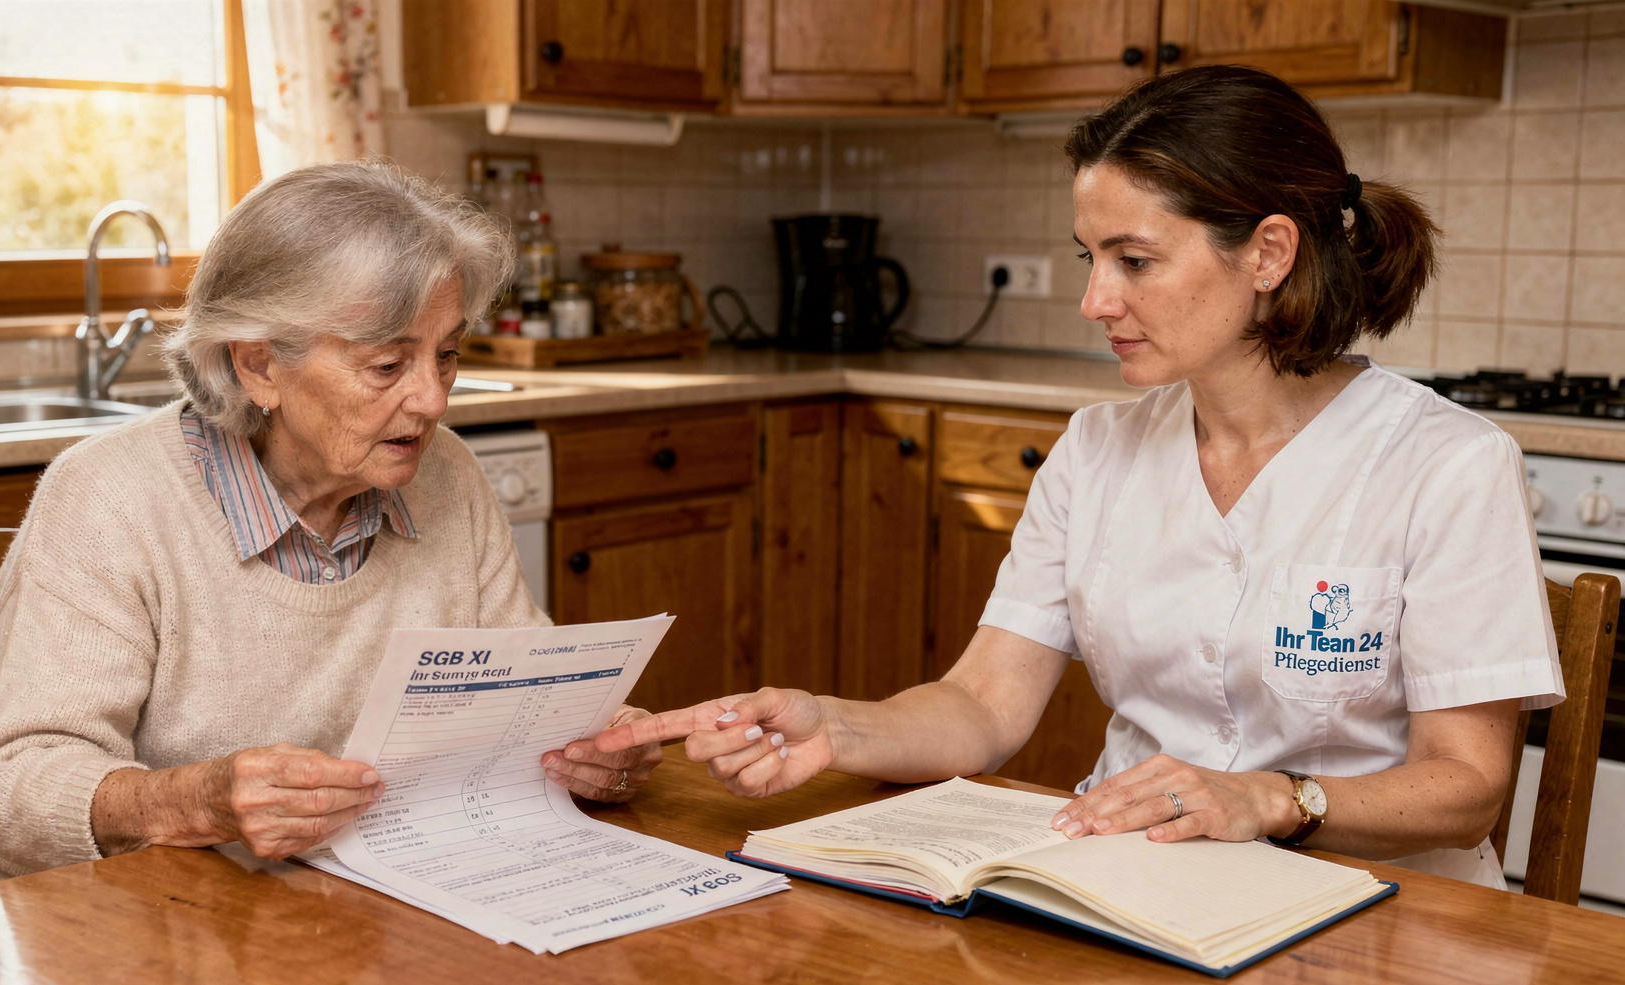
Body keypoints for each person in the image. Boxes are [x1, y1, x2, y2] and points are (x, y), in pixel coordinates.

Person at [597, 66, 1563, 888]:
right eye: (1089, 258)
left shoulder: (1447, 465)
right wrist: (830, 730)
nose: (1096, 300)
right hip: (1134, 885)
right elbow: (981, 707)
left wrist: (1273, 801)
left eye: (1134, 259)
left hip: (1379, 920)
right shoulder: (1096, 449)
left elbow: (1467, 783)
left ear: (1269, 252)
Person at [0, 162, 660, 889]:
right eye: (386, 364)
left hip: (325, 913)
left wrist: (598, 747)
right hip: (80, 930)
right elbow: (15, 787)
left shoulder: (447, 477)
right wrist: (195, 801)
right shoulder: (107, 500)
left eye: (446, 355)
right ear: (258, 367)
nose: (432, 401)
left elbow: (526, 706)